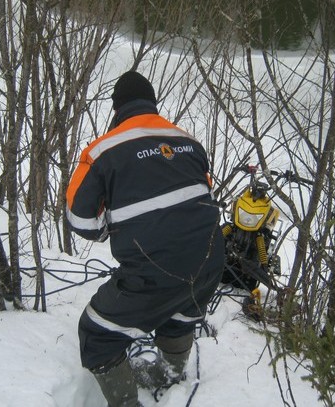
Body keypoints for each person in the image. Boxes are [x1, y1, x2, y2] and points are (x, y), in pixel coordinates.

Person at [66, 71, 224, 406]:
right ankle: (169, 370)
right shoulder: (188, 141)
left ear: (117, 108)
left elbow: (81, 221)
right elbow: (201, 194)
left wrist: (111, 223)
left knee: (96, 334)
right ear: (152, 103)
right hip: (211, 258)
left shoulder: (100, 151)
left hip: (154, 268)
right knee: (180, 312)